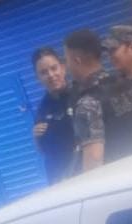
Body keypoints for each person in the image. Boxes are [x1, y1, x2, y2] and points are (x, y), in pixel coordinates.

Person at [63, 29, 132, 173]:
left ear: (77, 60)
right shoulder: (130, 85)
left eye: (67, 60)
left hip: (120, 180)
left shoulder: (88, 103)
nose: (67, 67)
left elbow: (94, 161)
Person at [30, 48, 77, 184]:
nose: (51, 75)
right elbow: (43, 150)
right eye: (44, 72)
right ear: (38, 78)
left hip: (86, 172)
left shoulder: (80, 94)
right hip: (59, 178)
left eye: (54, 68)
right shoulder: (43, 109)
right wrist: (35, 137)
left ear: (63, 68)